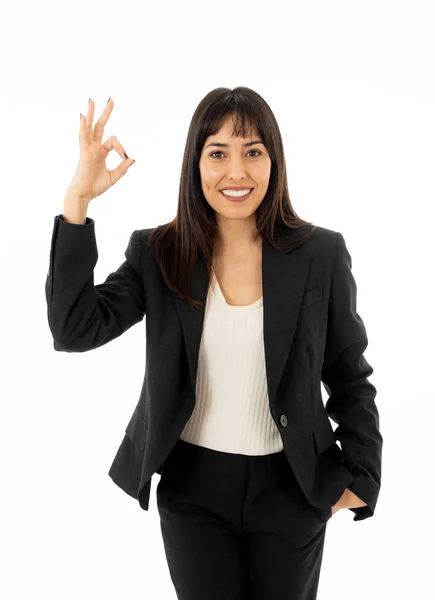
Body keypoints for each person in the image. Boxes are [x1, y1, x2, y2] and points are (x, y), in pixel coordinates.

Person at [46, 87, 382, 600]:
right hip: (194, 488)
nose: (236, 172)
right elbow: (74, 329)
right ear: (195, 163)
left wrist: (362, 477)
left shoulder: (321, 253)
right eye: (218, 153)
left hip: (292, 485)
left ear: (274, 161)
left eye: (252, 152)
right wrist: (78, 201)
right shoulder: (158, 252)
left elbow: (349, 373)